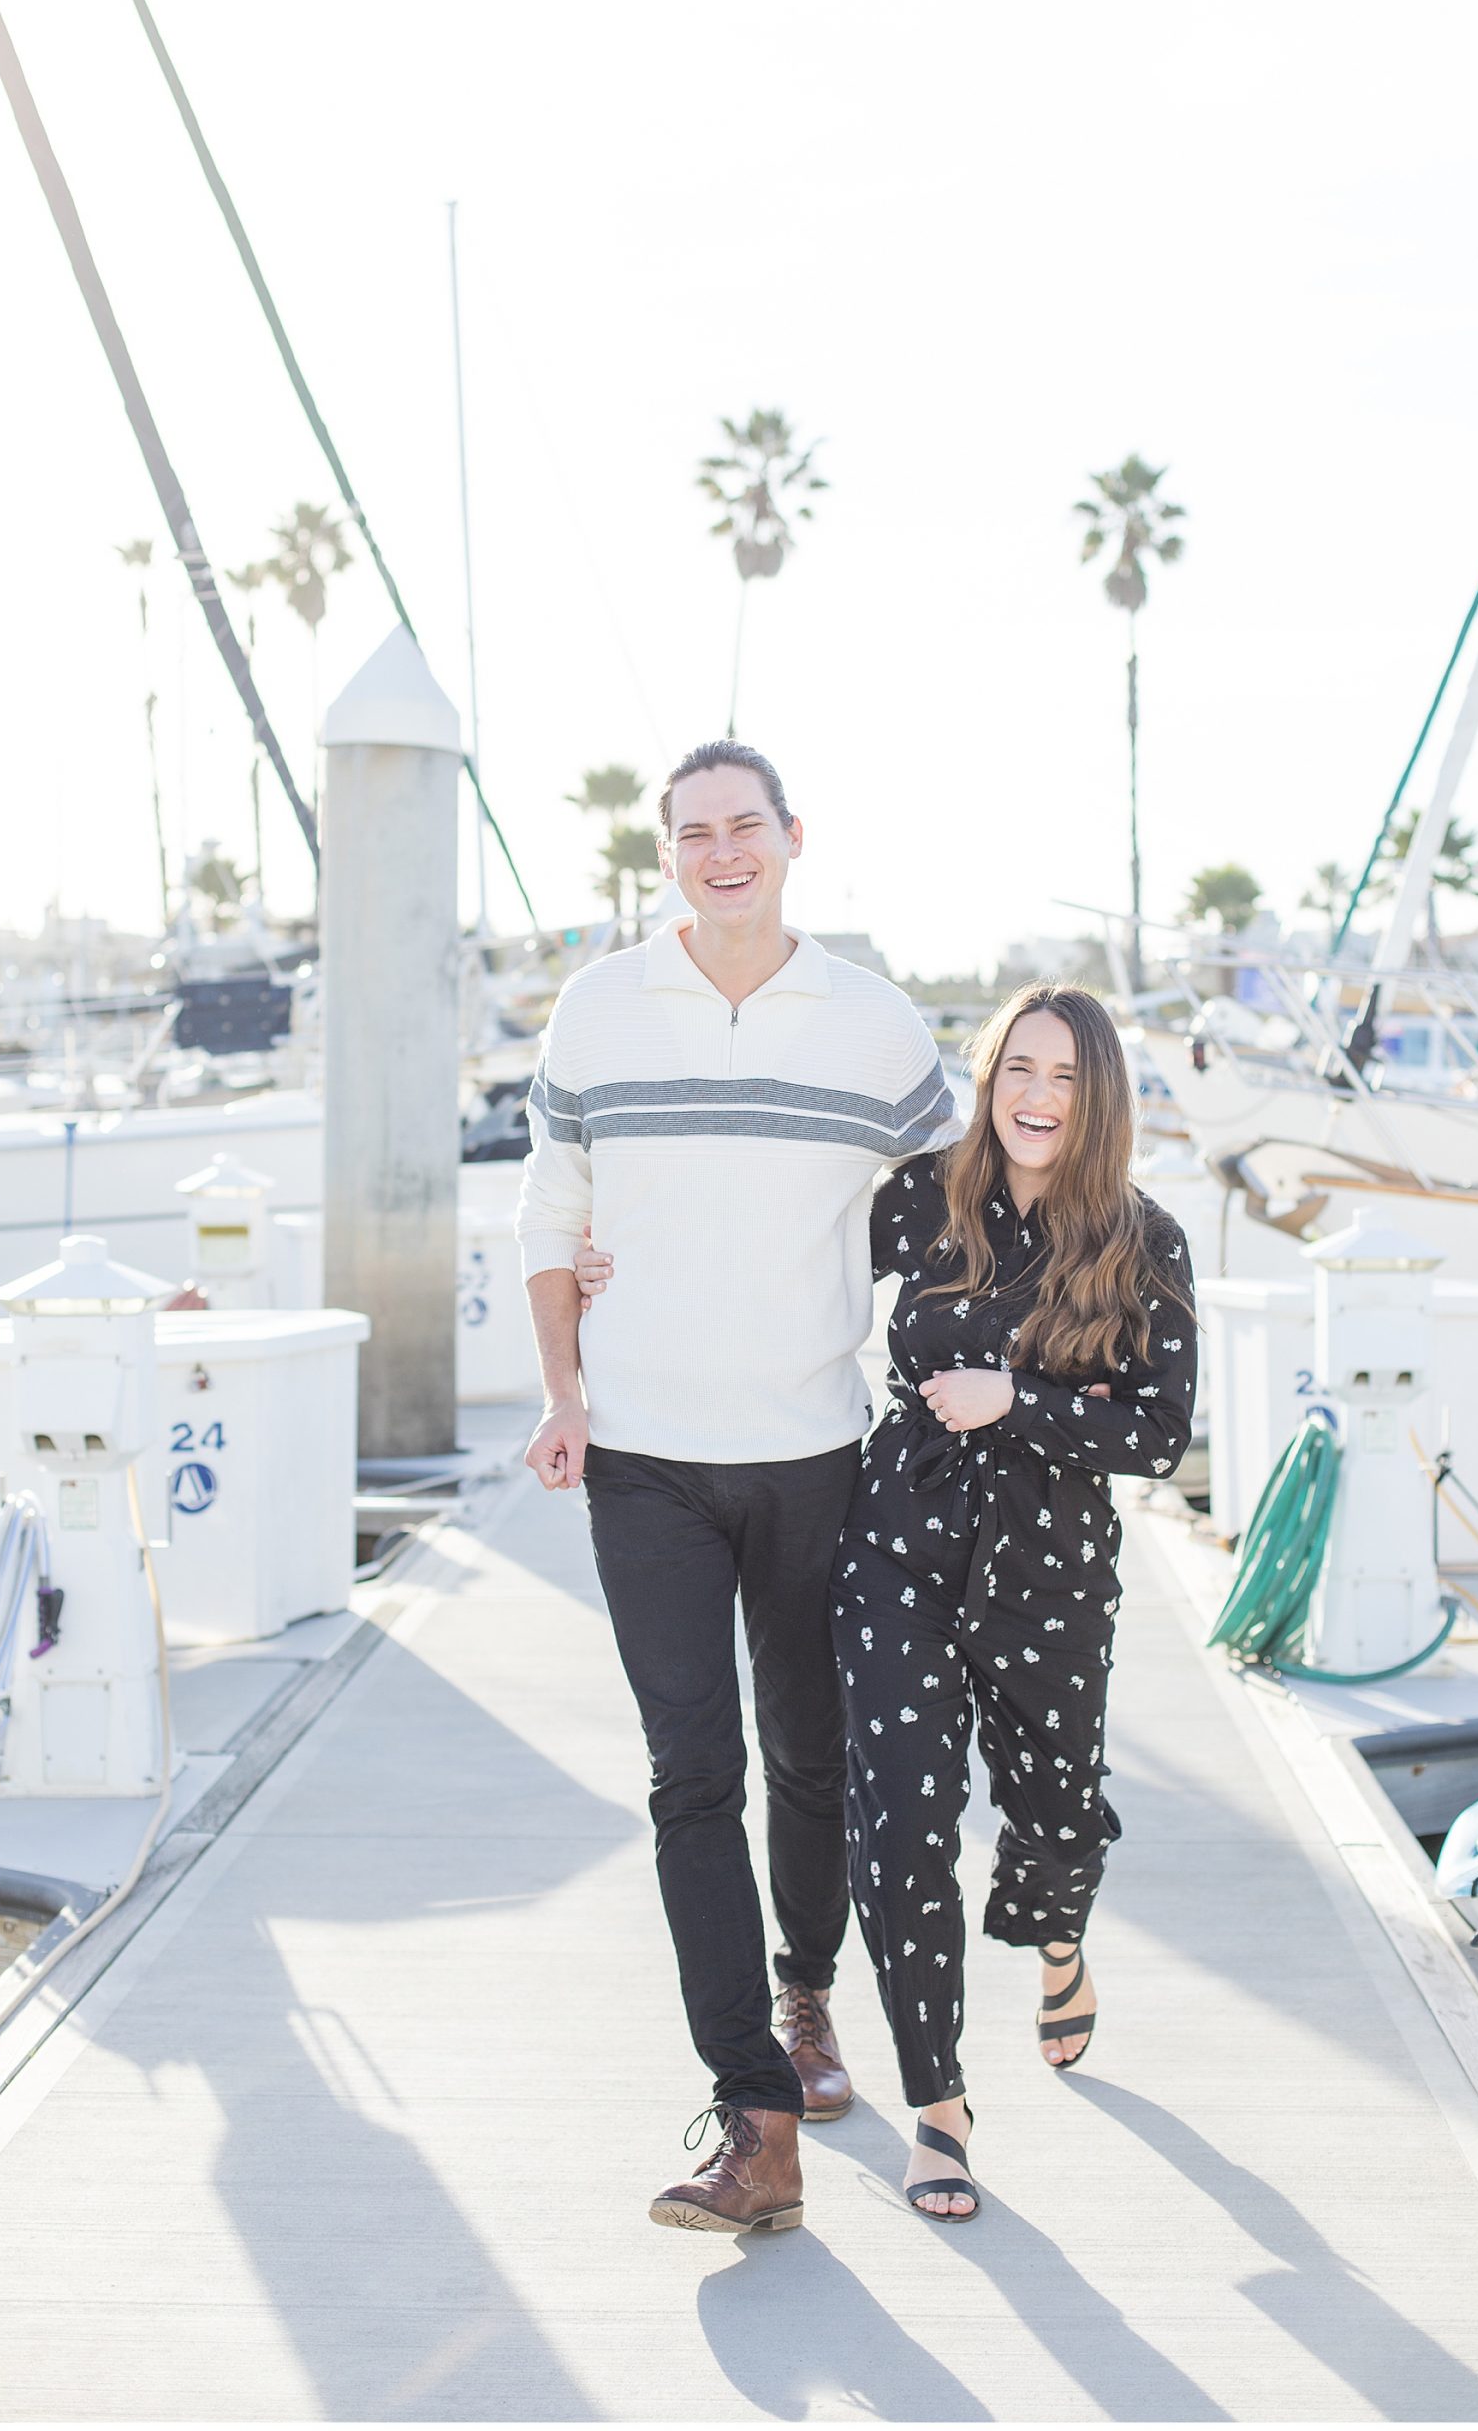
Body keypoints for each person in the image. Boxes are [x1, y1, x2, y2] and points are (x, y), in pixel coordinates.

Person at [516, 740, 957, 2235]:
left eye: (743, 828)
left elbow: (977, 1182)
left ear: (791, 839)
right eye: (692, 834)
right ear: (669, 858)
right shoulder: (600, 1005)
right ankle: (753, 2111)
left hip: (815, 1452)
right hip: (642, 1456)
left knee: (810, 1756)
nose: (721, 853)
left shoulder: (870, 1021)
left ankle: (809, 1993)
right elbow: (551, 1196)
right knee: (690, 1777)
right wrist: (567, 1387)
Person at [833, 982, 1195, 2220]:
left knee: (1051, 1811)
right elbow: (783, 1272)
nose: (1038, 1098)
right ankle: (938, 2105)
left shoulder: (1142, 1240)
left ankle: (1056, 1942)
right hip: (898, 1542)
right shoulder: (919, 1200)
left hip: (1051, 1563)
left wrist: (1015, 1399)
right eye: (1018, 1071)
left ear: (1098, 1100)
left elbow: (1157, 1432)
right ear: (987, 1079)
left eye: (1067, 1079)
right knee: (903, 1821)